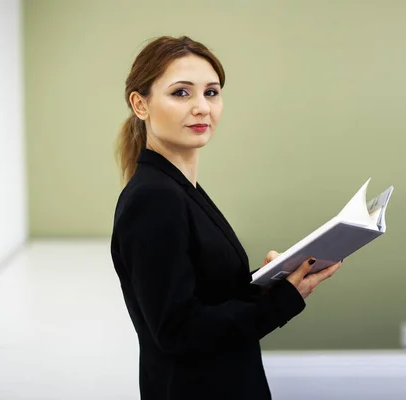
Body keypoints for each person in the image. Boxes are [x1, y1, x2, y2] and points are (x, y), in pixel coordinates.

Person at [110, 35, 342, 400]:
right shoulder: (154, 198)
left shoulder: (179, 189)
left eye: (212, 92)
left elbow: (205, 296)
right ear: (140, 104)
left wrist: (266, 284)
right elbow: (177, 331)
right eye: (181, 93)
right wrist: (281, 300)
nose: (202, 107)